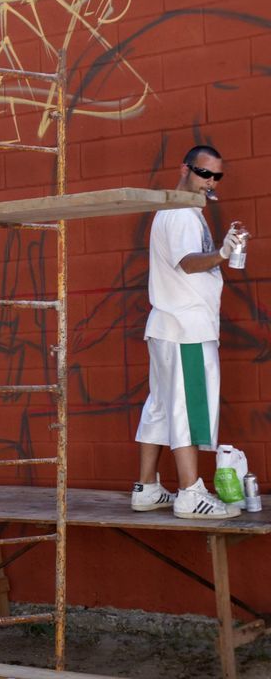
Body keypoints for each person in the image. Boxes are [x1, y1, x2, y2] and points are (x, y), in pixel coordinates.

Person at [132, 145, 246, 519]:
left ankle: (147, 488)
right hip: (186, 329)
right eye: (203, 173)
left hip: (167, 325)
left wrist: (220, 250)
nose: (210, 182)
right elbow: (188, 263)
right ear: (185, 169)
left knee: (162, 406)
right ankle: (190, 493)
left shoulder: (176, 210)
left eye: (216, 176)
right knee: (188, 408)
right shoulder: (181, 212)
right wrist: (221, 255)